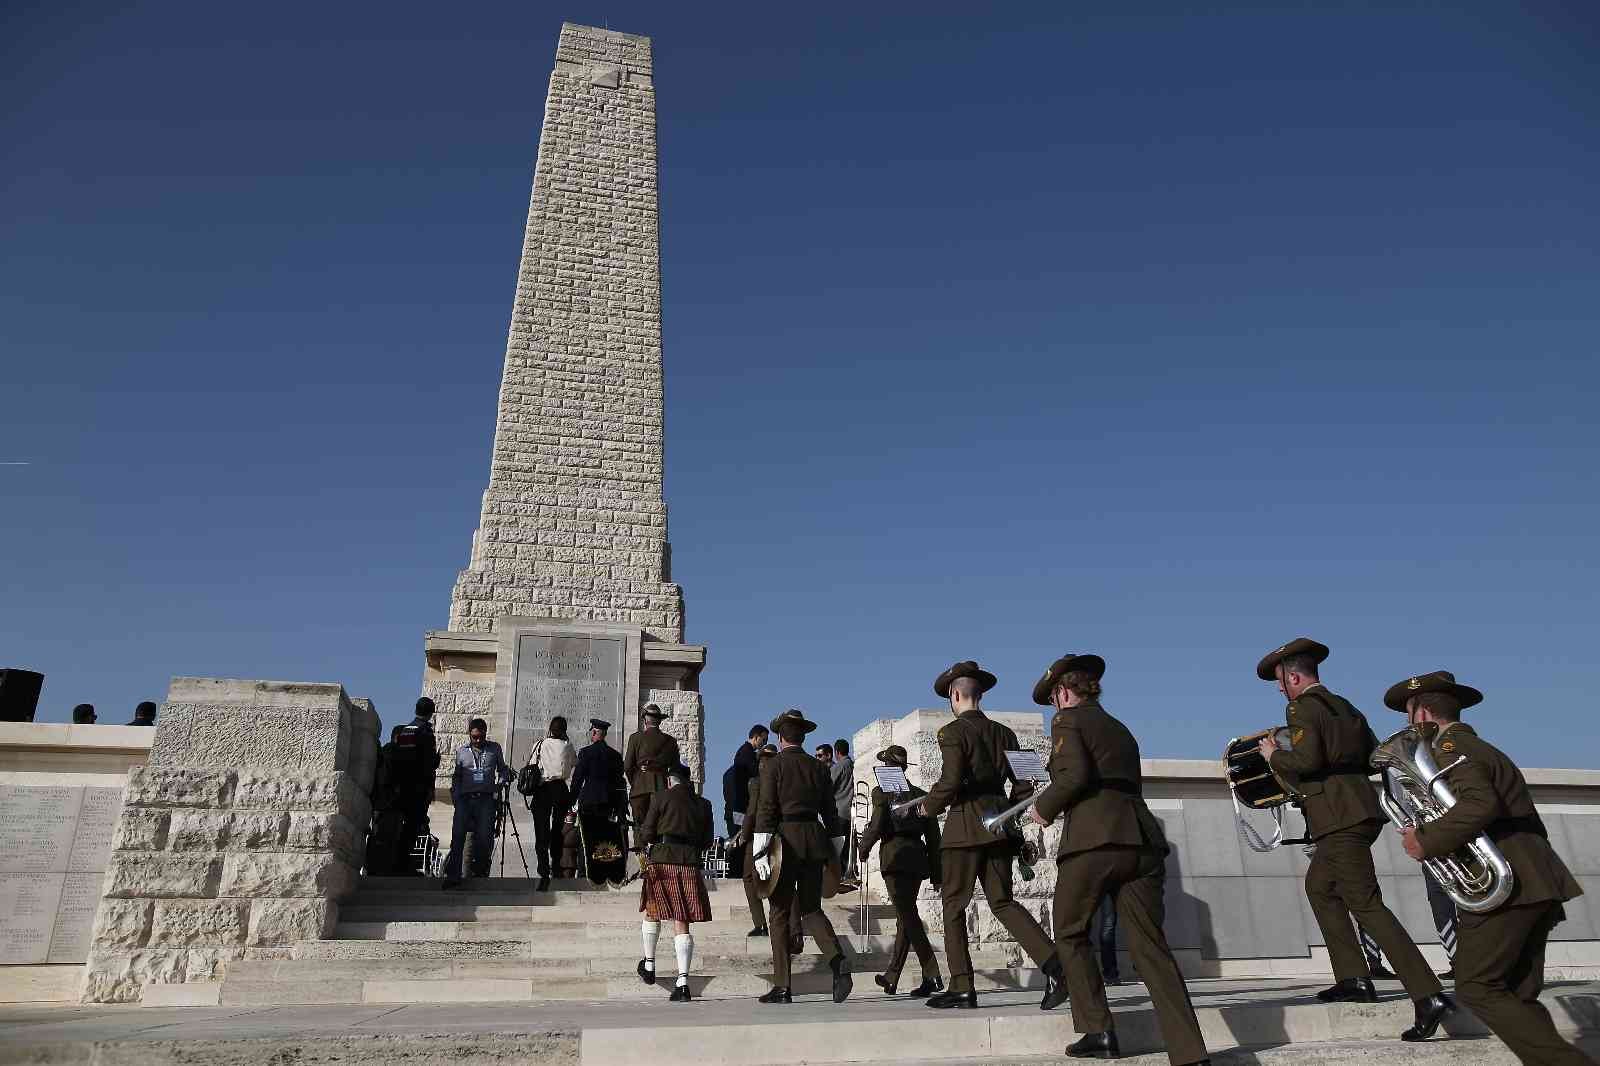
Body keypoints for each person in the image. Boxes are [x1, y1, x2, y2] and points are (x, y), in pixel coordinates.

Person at [1388, 670, 1591, 1066]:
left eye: (1408, 715)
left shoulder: (1450, 749)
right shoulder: (1480, 747)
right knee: (1517, 994)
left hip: (1508, 884)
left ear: (1422, 714)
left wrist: (1424, 839)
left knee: (1476, 986)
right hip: (1535, 878)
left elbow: (1480, 804)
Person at [1255, 638, 1452, 1042]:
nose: (1279, 688)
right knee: (1320, 887)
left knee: (1366, 904)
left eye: (1280, 681)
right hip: (1358, 810)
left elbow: (1306, 761)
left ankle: (1427, 993)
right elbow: (1370, 758)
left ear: (1293, 677)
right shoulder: (1345, 706)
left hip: (1337, 818)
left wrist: (1273, 755)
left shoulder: (1300, 708)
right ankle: (1353, 978)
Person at [1029, 653, 1207, 1063]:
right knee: (1150, 947)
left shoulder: (1067, 720)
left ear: (1063, 692)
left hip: (1094, 840)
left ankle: (1099, 1031)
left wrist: (1044, 807)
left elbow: (1074, 776)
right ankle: (1190, 1053)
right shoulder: (1120, 728)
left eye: (1053, 698)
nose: (1054, 706)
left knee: (1070, 932)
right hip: (1140, 840)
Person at [920, 660, 1063, 1010]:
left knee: (953, 906)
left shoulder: (951, 733)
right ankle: (1055, 964)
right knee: (1002, 902)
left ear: (955, 696)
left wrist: (927, 808)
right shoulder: (1005, 734)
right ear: (979, 694)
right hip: (998, 827)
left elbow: (950, 781)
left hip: (964, 828)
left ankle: (962, 986)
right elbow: (1024, 784)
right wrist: (1007, 811)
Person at [751, 708, 854, 1005]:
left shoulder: (774, 766)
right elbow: (831, 815)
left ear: (780, 738)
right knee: (811, 909)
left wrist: (760, 852)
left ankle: (782, 986)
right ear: (803, 737)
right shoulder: (818, 768)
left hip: (785, 843)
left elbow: (766, 810)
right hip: (814, 840)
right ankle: (838, 961)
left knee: (779, 913)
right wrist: (835, 852)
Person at [856, 744, 943, 997]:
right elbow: (934, 839)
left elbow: (877, 824)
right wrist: (936, 873)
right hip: (917, 859)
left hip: (894, 858)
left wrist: (863, 848)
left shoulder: (881, 792)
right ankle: (892, 977)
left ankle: (932, 972)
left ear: (888, 767)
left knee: (907, 915)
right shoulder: (921, 795)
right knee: (906, 917)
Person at [636, 761, 715, 1001]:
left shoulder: (660, 798)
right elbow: (707, 841)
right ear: (688, 781)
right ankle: (682, 983)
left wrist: (645, 840)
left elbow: (647, 833)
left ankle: (649, 964)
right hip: (689, 862)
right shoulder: (703, 804)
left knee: (652, 911)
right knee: (682, 920)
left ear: (670, 781)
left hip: (662, 860)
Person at [739, 743, 803, 951]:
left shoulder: (757, 783)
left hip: (759, 836)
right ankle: (796, 930)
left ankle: (760, 924)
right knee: (787, 882)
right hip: (784, 835)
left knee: (749, 878)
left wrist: (744, 836)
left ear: (760, 762)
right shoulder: (787, 780)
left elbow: (752, 812)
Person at [441, 718, 514, 888]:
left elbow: (503, 769)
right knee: (458, 837)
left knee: (484, 838)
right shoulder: (462, 751)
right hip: (465, 799)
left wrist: (500, 783)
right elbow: (457, 776)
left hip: (486, 799)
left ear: (485, 734)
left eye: (481, 737)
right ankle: (453, 876)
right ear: (469, 735)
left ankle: (480, 873)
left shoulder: (495, 748)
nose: (478, 740)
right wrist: (456, 796)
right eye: (475, 737)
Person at [723, 724, 769, 934]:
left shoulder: (745, 755)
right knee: (740, 845)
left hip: (745, 812)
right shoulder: (746, 755)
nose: (763, 744)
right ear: (756, 737)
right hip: (744, 811)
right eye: (763, 740)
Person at [572, 718, 629, 886]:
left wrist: (571, 800)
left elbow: (577, 780)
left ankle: (584, 874)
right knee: (605, 838)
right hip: (608, 804)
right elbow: (620, 783)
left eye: (592, 731)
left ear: (595, 732)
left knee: (586, 839)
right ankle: (604, 873)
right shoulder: (615, 755)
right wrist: (620, 807)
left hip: (589, 802)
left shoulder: (585, 753)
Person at [392, 698, 442, 875]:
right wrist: (436, 760)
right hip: (418, 788)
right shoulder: (425, 732)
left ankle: (399, 863)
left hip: (403, 786)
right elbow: (428, 763)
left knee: (405, 825)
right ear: (430, 713)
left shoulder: (406, 729)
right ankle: (404, 865)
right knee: (413, 827)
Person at [527, 716, 577, 892]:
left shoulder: (539, 744)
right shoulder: (567, 746)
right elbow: (573, 763)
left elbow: (532, 764)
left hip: (542, 789)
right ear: (564, 730)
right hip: (560, 789)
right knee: (557, 832)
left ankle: (543, 871)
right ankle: (556, 866)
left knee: (541, 832)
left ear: (550, 729)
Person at [624, 704, 680, 844]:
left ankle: (642, 856)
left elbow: (628, 766)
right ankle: (656, 855)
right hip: (661, 788)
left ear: (645, 720)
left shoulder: (635, 738)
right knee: (659, 827)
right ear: (659, 721)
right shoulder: (670, 741)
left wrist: (636, 781)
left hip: (640, 789)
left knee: (640, 827)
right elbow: (675, 769)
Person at [831, 739, 855, 876]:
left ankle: (838, 878)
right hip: (851, 812)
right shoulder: (853, 765)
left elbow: (828, 786)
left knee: (838, 850)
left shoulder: (839, 766)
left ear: (837, 752)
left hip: (839, 812)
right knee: (848, 850)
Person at [558, 810, 581, 879]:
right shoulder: (576, 830)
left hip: (559, 861)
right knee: (569, 882)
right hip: (570, 862)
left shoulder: (559, 829)